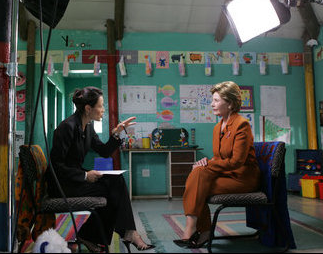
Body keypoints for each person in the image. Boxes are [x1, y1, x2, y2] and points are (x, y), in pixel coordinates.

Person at [46, 86, 155, 252]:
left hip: (74, 180)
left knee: (116, 181)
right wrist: (84, 175)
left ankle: (116, 234)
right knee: (112, 189)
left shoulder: (88, 127)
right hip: (62, 184)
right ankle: (120, 234)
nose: (103, 110)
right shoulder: (66, 127)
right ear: (88, 109)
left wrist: (116, 134)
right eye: (101, 106)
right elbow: (56, 167)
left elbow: (104, 151)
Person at [173, 81, 261, 248]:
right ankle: (197, 230)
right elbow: (219, 157)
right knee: (198, 175)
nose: (212, 104)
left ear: (230, 104)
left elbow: (236, 161)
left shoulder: (242, 124)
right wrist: (206, 162)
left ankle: (197, 230)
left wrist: (207, 165)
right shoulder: (217, 127)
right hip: (226, 175)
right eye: (212, 100)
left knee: (198, 185)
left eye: (216, 100)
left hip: (242, 178)